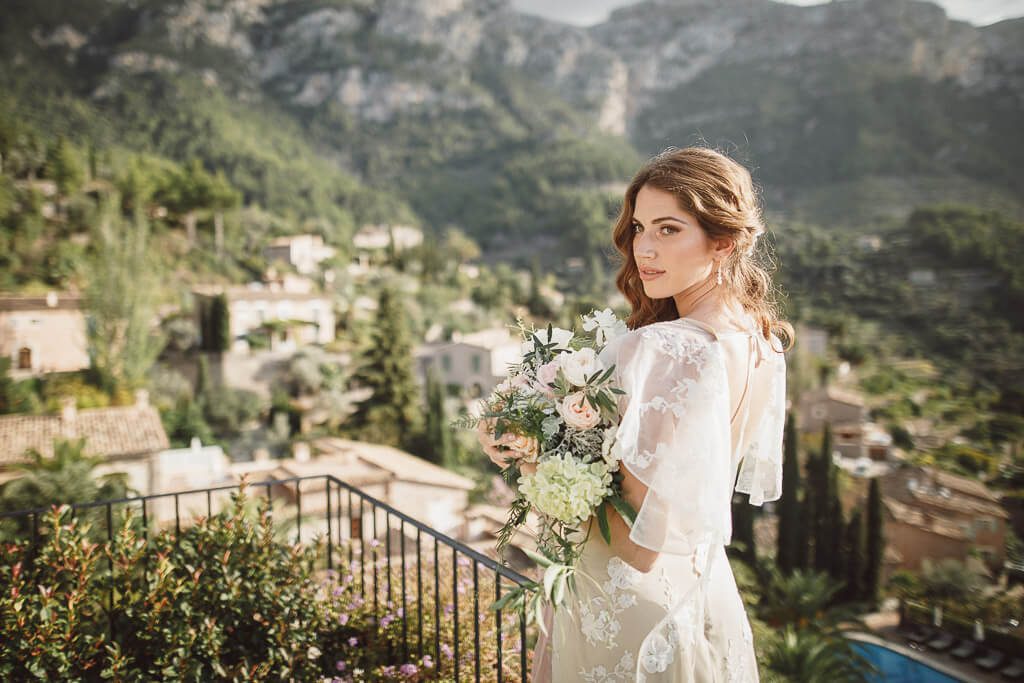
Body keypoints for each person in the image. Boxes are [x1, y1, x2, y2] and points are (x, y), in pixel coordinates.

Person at [479, 146, 792, 682]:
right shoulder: (760, 342)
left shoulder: (667, 349)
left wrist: (530, 460)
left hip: (629, 618)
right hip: (703, 597)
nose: (644, 248)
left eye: (669, 229)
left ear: (723, 240)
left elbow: (639, 547)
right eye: (640, 228)